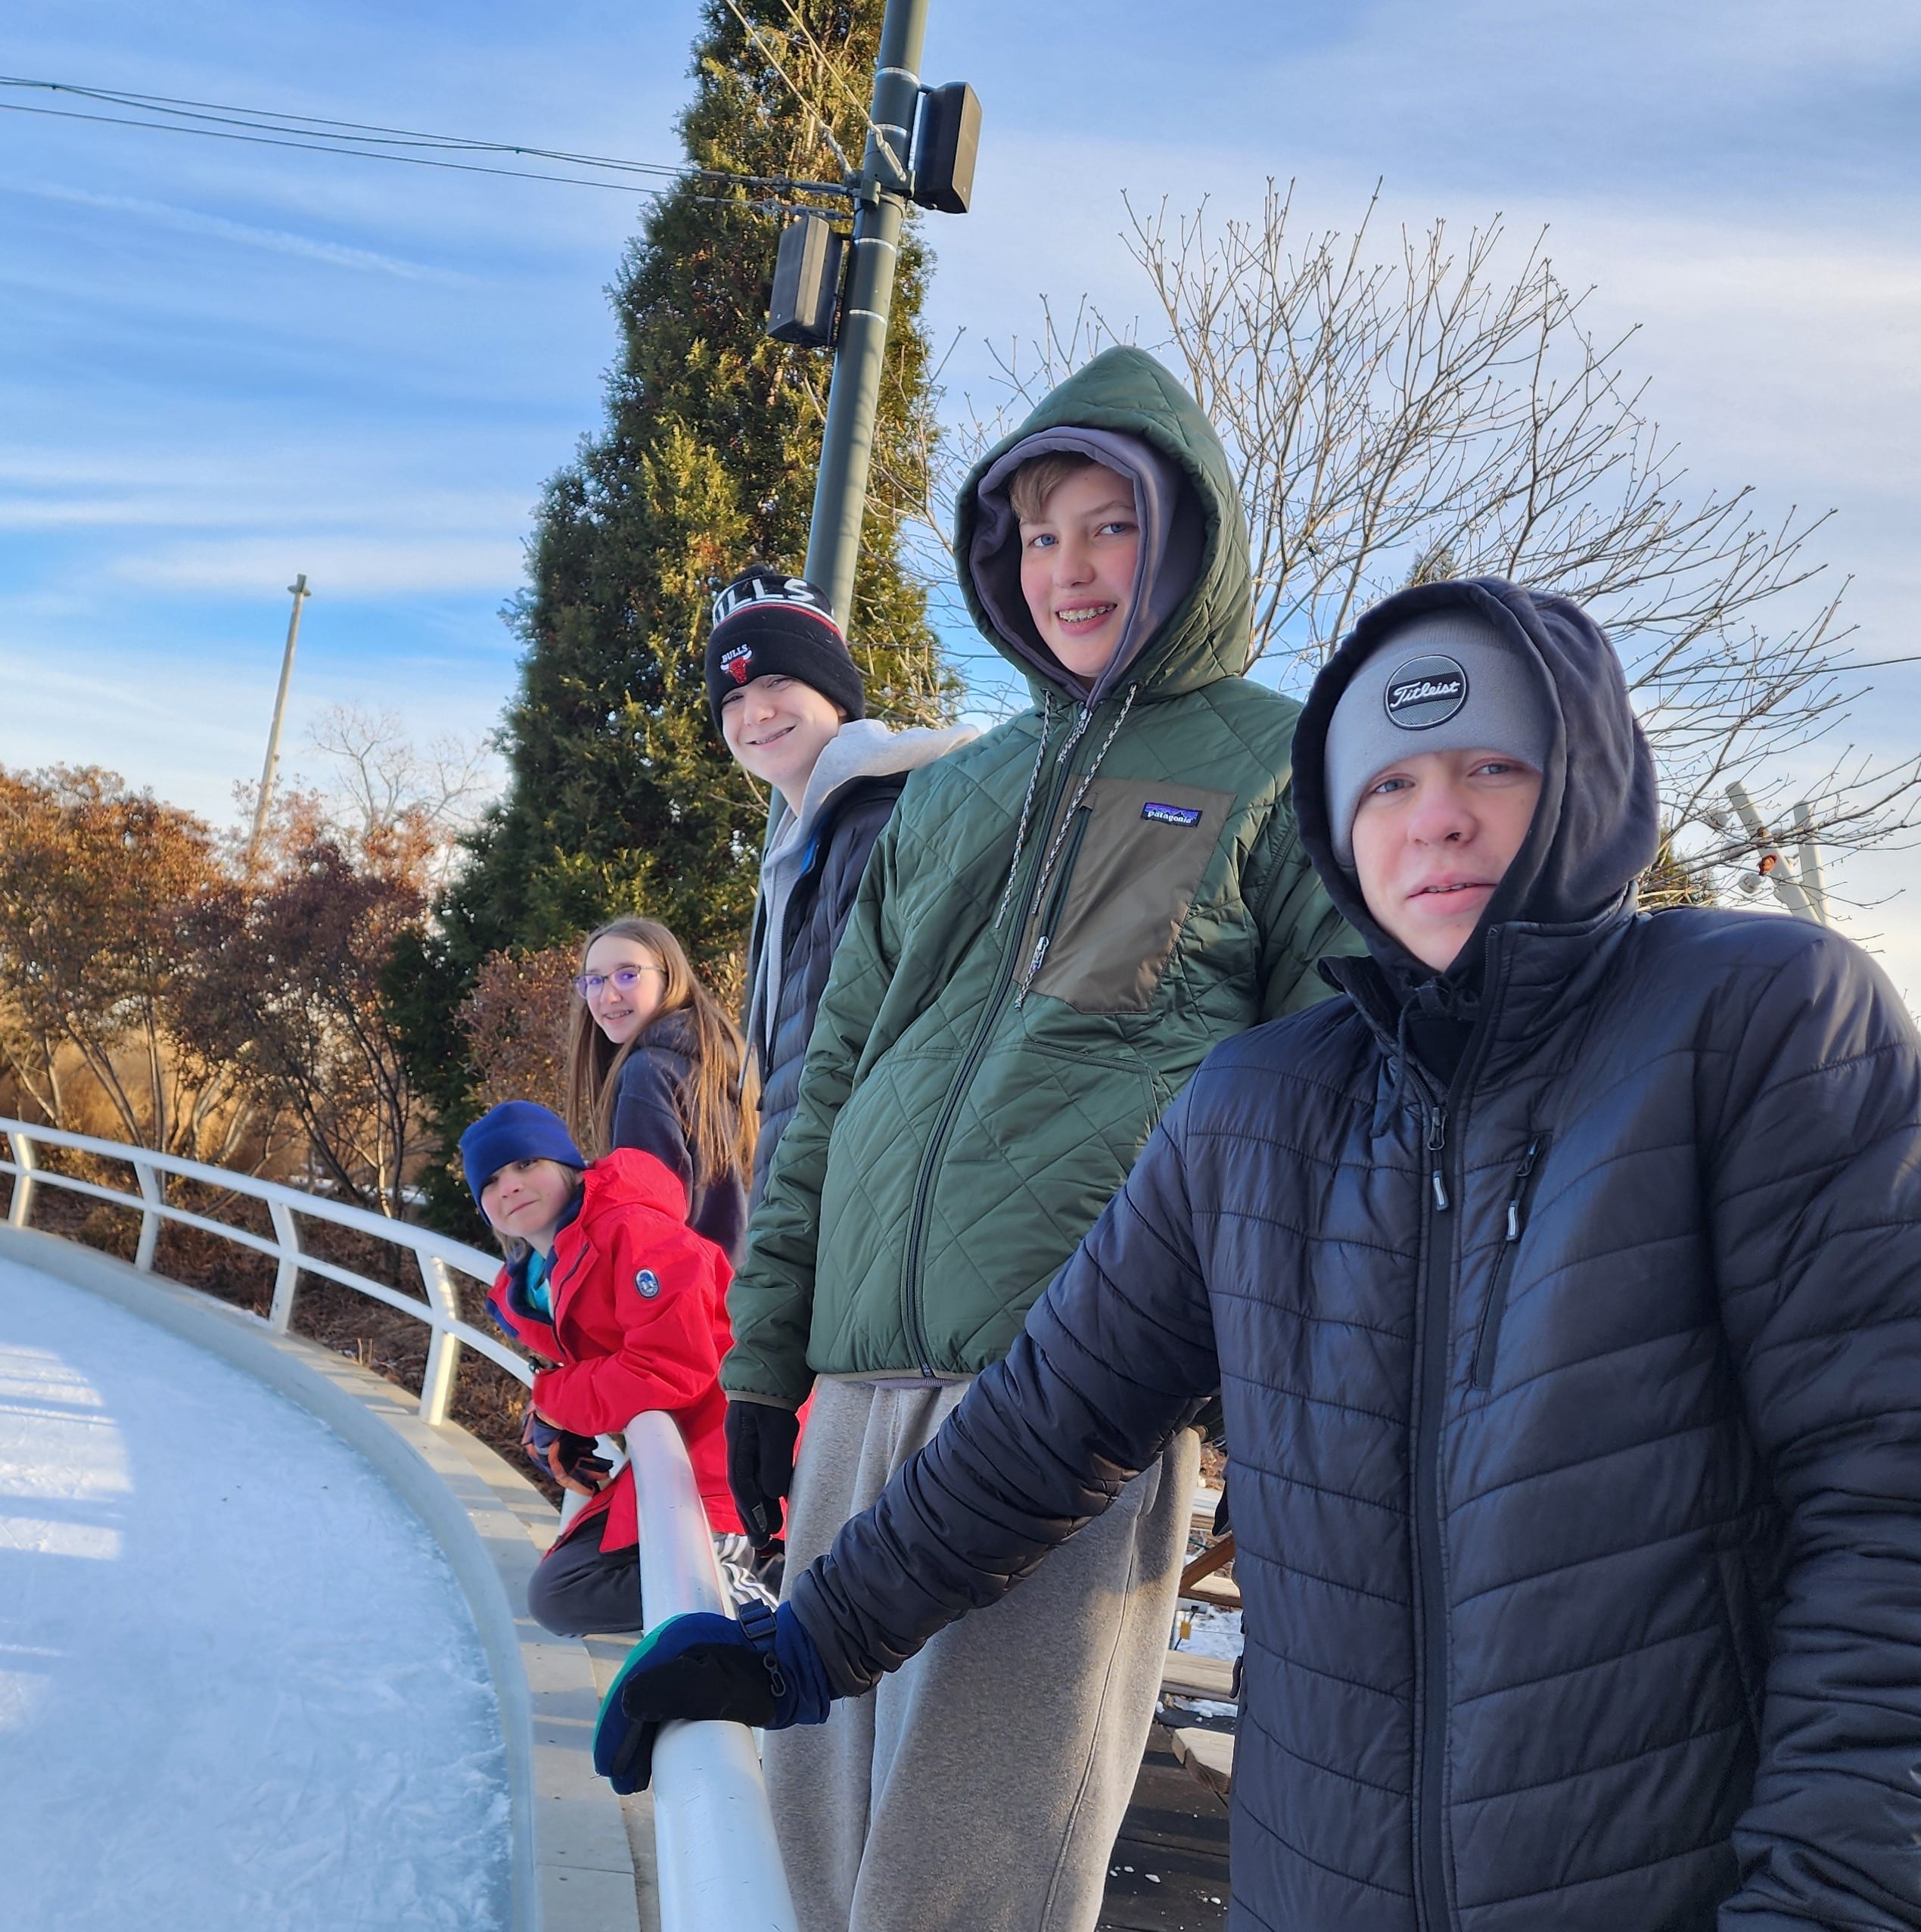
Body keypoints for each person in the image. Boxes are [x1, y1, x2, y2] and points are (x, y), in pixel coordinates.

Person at [599, 577, 1921, 1930]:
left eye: (1490, 767)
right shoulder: (1260, 1101)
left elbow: (1883, 1508)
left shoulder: (1755, 1025)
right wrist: (803, 1647)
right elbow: (1044, 1421)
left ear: (1583, 778)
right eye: (1387, 781)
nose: (1436, 817)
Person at [718, 345, 1354, 1932]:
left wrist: (1290, 1420)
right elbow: (828, 1093)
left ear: (1188, 535)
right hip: (861, 1387)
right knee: (818, 1844)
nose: (1067, 567)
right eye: (1040, 532)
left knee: (969, 1876)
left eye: (1110, 526)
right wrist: (760, 1364)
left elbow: (1329, 1118)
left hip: (1074, 1408)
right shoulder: (945, 793)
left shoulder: (1283, 765)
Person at [704, 565, 975, 1212]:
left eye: (778, 681)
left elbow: (877, 1069)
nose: (755, 712)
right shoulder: (807, 848)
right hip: (828, 1209)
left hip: (875, 1209)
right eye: (732, 698)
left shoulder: (881, 825)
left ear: (835, 693)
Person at [461, 1100, 764, 1636]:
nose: (509, 1185)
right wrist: (555, 1415)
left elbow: (671, 1367)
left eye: (526, 1164)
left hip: (735, 1452)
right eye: (490, 1180)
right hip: (681, 1448)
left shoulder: (633, 1230)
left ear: (568, 1167)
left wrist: (556, 1400)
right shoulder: (542, 1277)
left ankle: (769, 1591)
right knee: (558, 1593)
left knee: (569, 1593)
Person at [565, 916, 756, 1266]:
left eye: (628, 974)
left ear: (670, 979)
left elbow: (647, 1229)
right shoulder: (716, 1060)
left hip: (687, 1301)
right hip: (738, 1291)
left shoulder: (647, 1075)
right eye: (593, 981)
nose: (607, 995)